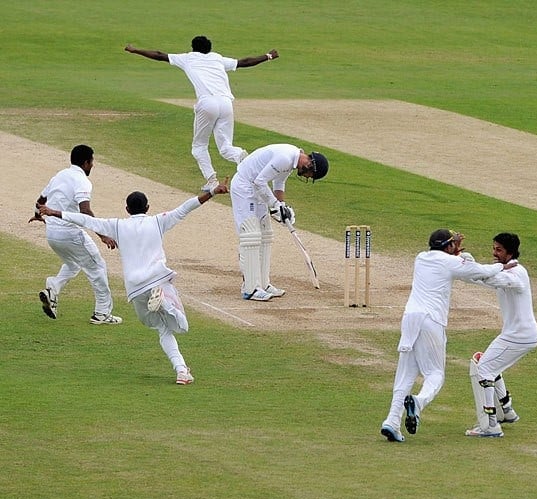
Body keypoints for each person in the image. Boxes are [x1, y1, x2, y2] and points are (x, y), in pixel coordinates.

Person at [38, 181, 231, 385]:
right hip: (158, 281)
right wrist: (212, 192)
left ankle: (182, 370)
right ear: (147, 208)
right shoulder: (157, 221)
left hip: (136, 288)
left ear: (127, 209)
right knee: (179, 324)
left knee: (163, 329)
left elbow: (85, 220)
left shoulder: (118, 225)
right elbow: (185, 208)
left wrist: (54, 212)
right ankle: (164, 303)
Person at [380, 229, 518, 443]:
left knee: (405, 375)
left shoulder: (421, 257)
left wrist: (453, 253)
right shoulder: (451, 262)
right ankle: (418, 402)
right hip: (431, 321)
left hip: (409, 318)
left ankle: (391, 421)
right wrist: (502, 265)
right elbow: (479, 271)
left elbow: (445, 262)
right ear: (448, 246)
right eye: (453, 243)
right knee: (435, 374)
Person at [124, 36, 279, 191]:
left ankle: (212, 181)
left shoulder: (188, 58)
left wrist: (135, 50)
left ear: (193, 47)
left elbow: (159, 55)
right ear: (209, 48)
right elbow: (244, 62)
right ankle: (241, 157)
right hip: (226, 103)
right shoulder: (217, 58)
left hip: (207, 103)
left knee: (199, 147)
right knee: (226, 148)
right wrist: (268, 56)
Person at [29, 144, 122, 325]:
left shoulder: (59, 175)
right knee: (97, 267)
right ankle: (102, 313)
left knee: (73, 264)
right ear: (86, 162)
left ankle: (52, 288)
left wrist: (36, 215)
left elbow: (41, 200)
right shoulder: (82, 181)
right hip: (70, 234)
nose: (93, 166)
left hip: (52, 234)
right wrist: (102, 234)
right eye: (92, 161)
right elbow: (85, 210)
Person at [460, 233, 537, 438]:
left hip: (519, 336)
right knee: (490, 364)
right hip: (517, 334)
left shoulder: (517, 273)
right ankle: (508, 412)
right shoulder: (505, 272)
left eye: (498, 250)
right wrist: (464, 264)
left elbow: (495, 278)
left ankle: (490, 425)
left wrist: (473, 267)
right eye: (494, 248)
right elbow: (482, 280)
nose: (494, 253)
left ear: (510, 253)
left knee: (484, 368)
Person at [230, 144, 328, 301]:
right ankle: (250, 288)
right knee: (251, 235)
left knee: (266, 235)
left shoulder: (291, 162)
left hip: (257, 190)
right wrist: (275, 205)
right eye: (310, 174)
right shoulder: (285, 158)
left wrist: (282, 207)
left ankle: (263, 283)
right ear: (310, 164)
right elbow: (259, 182)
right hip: (244, 187)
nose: (307, 177)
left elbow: (278, 184)